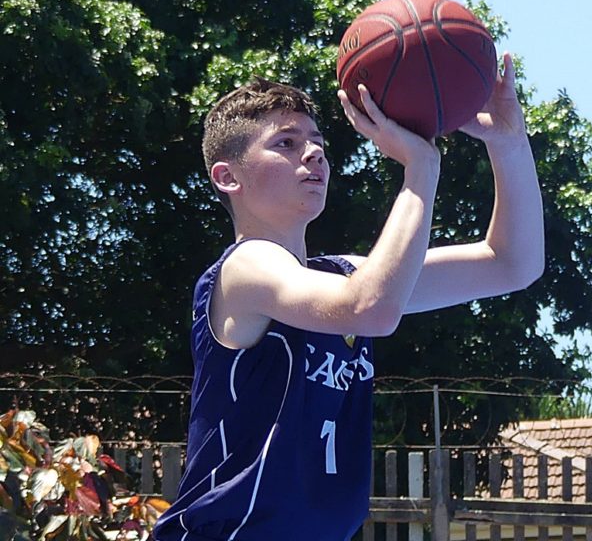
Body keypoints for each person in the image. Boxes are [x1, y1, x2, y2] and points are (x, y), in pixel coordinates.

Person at [152, 52, 543, 540]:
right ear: (229, 177)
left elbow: (512, 264)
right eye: (287, 143)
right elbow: (370, 308)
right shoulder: (245, 269)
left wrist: (509, 143)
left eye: (317, 143)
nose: (313, 153)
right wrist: (421, 167)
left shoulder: (343, 276)